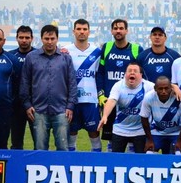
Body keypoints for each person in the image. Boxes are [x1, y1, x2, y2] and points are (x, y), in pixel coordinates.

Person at [20, 25, 78, 151]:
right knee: (40, 149)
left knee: (63, 148)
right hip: (38, 111)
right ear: (41, 39)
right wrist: (27, 104)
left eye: (52, 38)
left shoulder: (65, 58)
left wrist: (70, 106)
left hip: (62, 110)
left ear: (57, 38)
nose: (50, 42)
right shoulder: (31, 57)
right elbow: (25, 83)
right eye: (46, 38)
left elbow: (72, 83)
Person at [97, 19, 142, 148]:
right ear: (111, 31)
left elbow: (142, 74)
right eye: (115, 28)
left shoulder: (136, 49)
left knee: (133, 139)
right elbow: (100, 73)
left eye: (121, 28)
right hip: (110, 101)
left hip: (131, 101)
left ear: (126, 31)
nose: (118, 31)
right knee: (112, 140)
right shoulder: (107, 47)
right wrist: (101, 95)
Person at [97, 61, 154, 153]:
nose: (132, 73)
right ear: (125, 74)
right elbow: (111, 101)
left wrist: (175, 88)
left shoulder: (149, 86)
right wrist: (105, 116)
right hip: (120, 129)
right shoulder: (118, 85)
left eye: (135, 71)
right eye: (129, 71)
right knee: (117, 160)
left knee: (140, 160)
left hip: (140, 130)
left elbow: (163, 87)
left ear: (141, 75)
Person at [65, 19, 103, 152]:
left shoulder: (97, 52)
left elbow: (99, 75)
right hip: (71, 101)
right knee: (71, 132)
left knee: (94, 132)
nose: (82, 32)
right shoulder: (65, 51)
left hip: (90, 100)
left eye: (84, 29)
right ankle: (71, 161)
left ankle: (97, 161)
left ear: (89, 32)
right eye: (79, 29)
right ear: (73, 31)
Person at [140, 76, 181, 154]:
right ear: (155, 88)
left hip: (176, 132)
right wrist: (149, 140)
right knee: (149, 154)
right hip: (157, 131)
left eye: (166, 88)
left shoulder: (179, 97)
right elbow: (144, 117)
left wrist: (180, 140)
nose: (163, 91)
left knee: (178, 155)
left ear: (171, 87)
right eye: (160, 89)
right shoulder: (149, 97)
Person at [7, 25, 35, 149]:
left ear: (32, 38)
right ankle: (17, 167)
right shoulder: (9, 56)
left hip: (36, 104)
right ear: (16, 38)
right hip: (15, 105)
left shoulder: (39, 54)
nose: (24, 40)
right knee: (16, 142)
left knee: (39, 142)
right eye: (21, 37)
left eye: (27, 37)